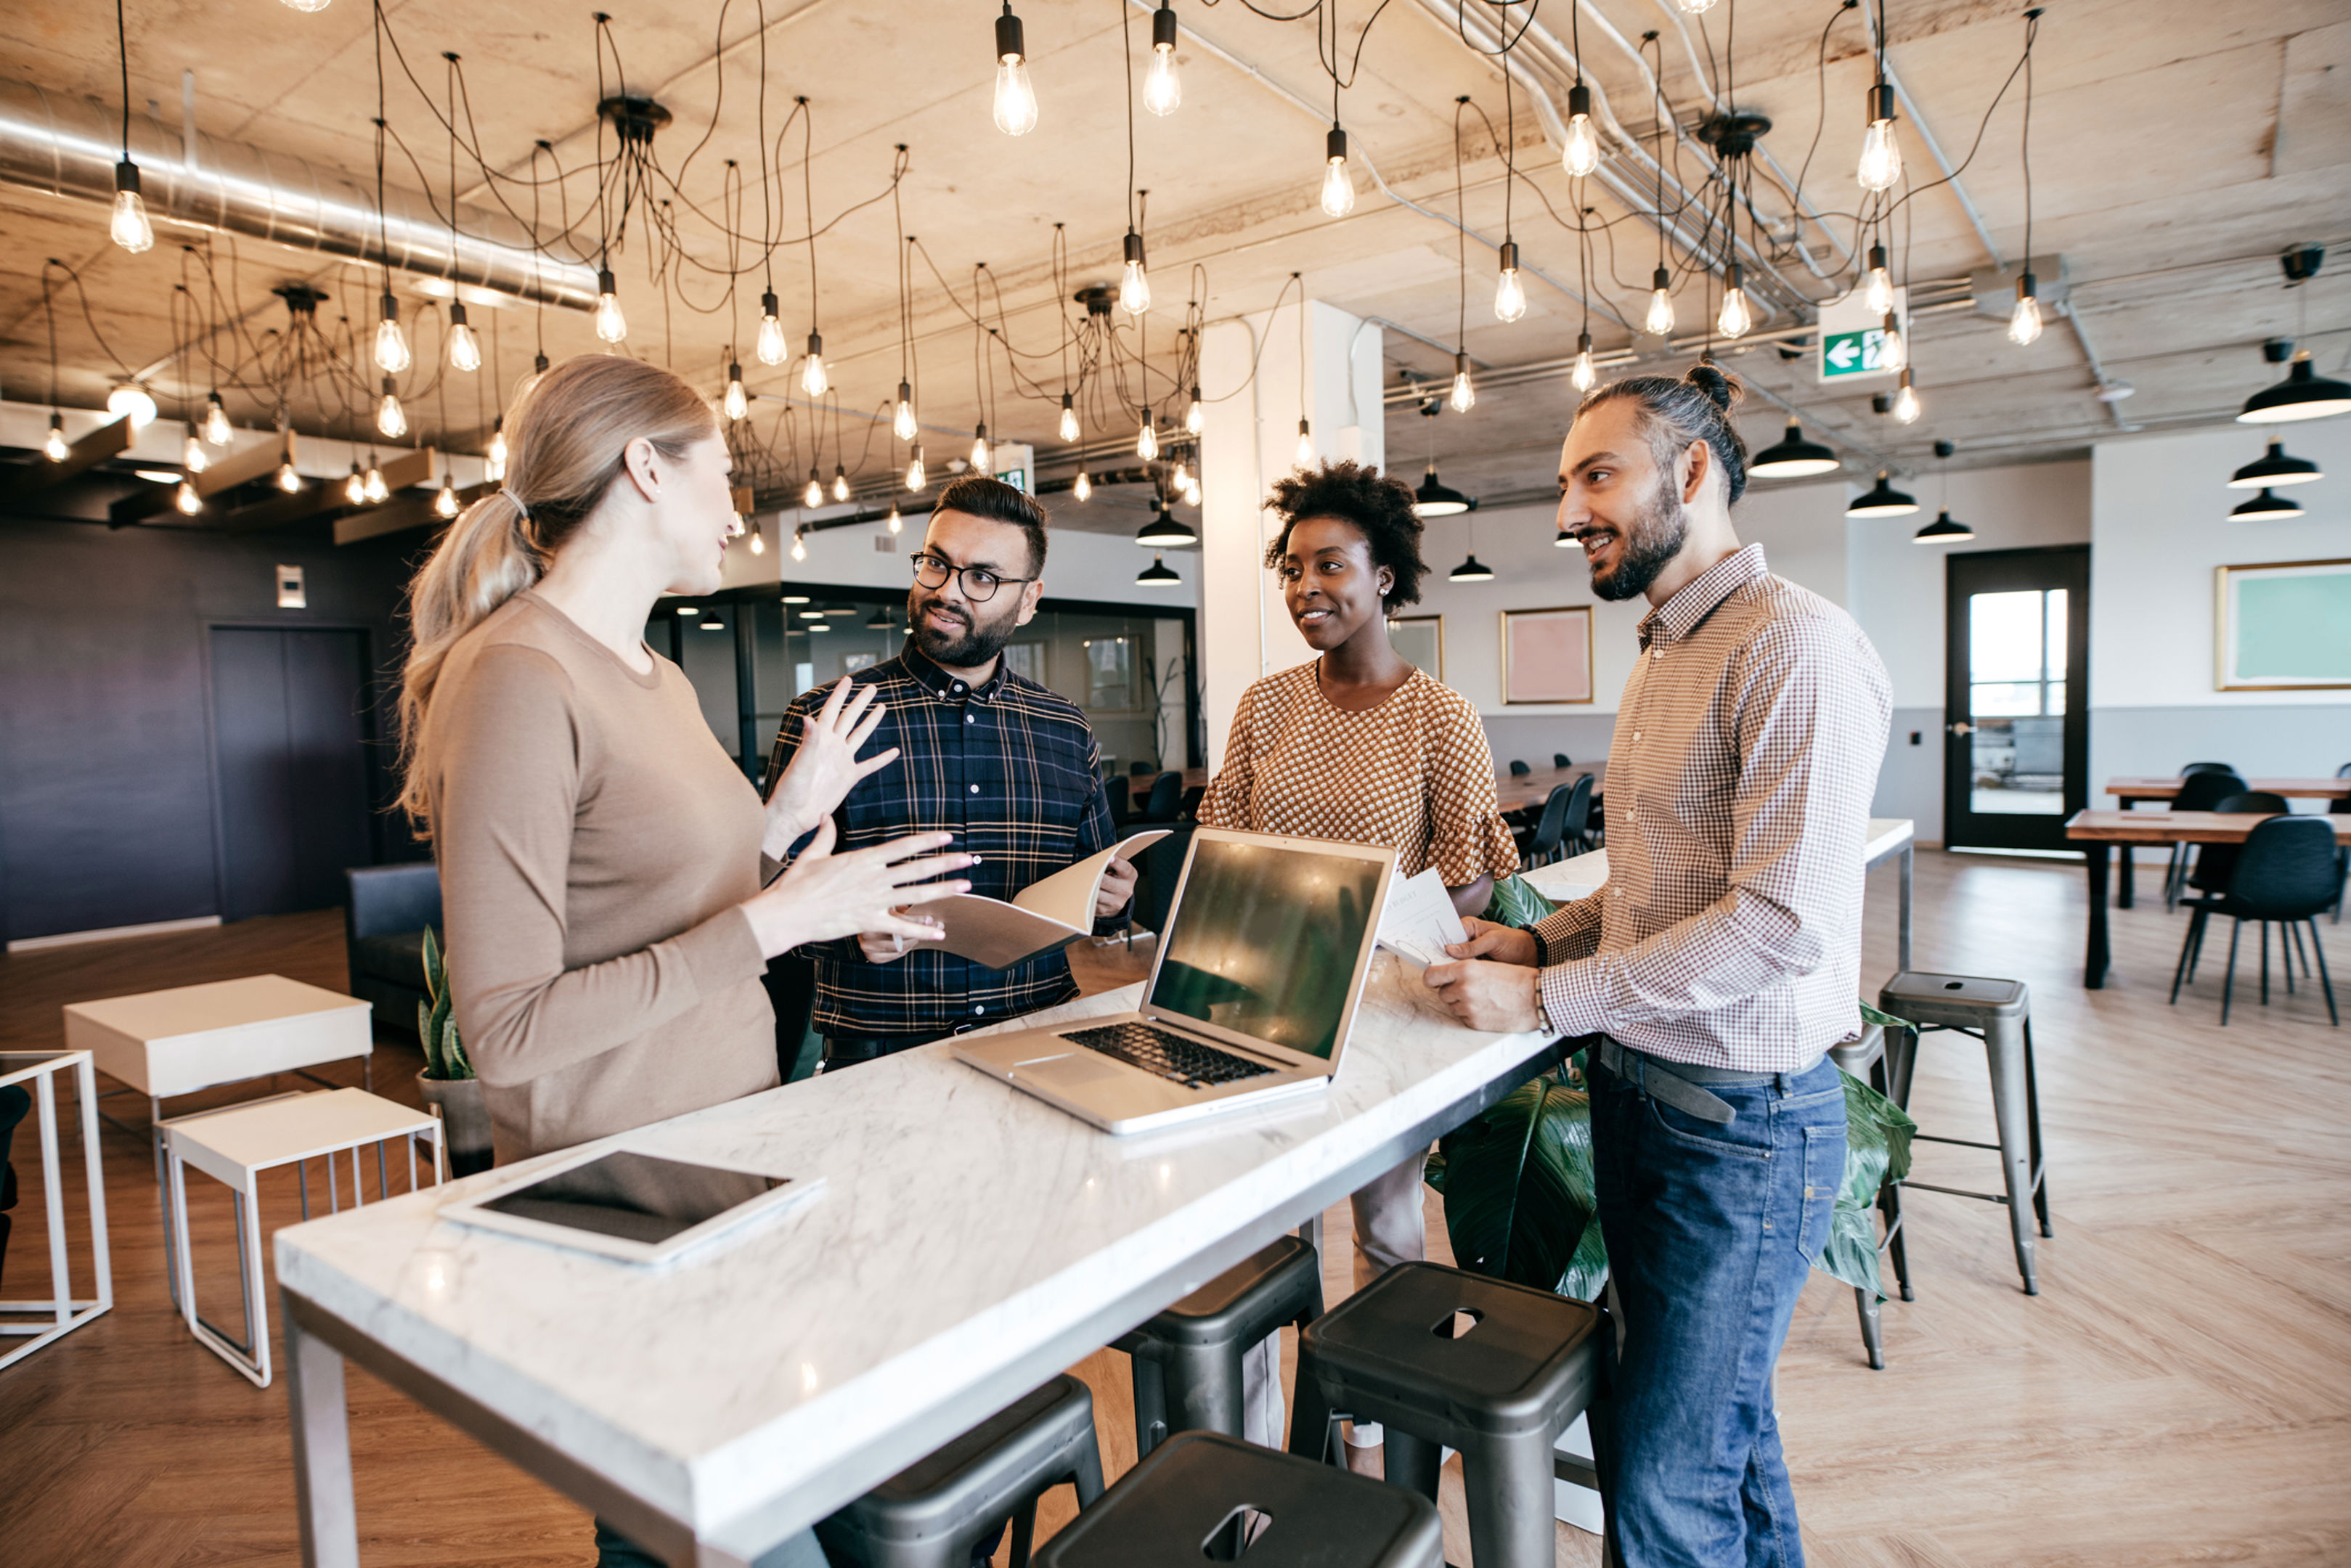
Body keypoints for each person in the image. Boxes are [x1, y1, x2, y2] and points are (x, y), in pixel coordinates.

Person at [397, 354, 973, 1568]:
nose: (734, 512)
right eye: (721, 475)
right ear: (643, 468)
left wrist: (792, 863)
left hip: (727, 1156)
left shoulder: (648, 673)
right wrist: (775, 921)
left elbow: (655, 901)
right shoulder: (516, 678)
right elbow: (504, 1030)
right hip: (622, 1196)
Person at [1426, 364, 1892, 1567]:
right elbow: (1647, 893)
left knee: (1662, 1488)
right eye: (1564, 481)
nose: (1567, 509)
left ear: (1690, 473)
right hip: (1651, 1112)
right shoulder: (1659, 652)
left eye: (1596, 475)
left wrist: (1540, 997)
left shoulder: (1797, 647)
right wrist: (1538, 938)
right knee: (1711, 1451)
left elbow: (1773, 926)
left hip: (1737, 1136)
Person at [1195, 460, 1520, 1464]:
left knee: (1386, 1227)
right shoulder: (1263, 705)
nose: (1305, 590)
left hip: (1383, 1008)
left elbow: (1470, 878)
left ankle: (1387, 1417)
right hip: (1263, 1005)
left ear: (1384, 577)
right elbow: (1221, 839)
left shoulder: (1439, 715)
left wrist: (1364, 914)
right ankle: (1260, 1447)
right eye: (1290, 570)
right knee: (1265, 1241)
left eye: (1328, 565)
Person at [765, 475, 1135, 1066]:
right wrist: (852, 934)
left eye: (982, 577)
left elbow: (1092, 890)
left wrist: (1112, 900)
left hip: (1040, 1033)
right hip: (880, 1054)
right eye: (936, 564)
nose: (948, 591)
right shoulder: (826, 719)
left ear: (1030, 600)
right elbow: (768, 895)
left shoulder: (1065, 729)